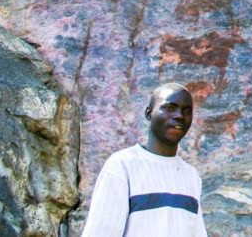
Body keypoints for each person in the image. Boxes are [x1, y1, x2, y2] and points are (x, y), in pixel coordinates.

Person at [81, 83, 208, 236]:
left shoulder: (191, 176)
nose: (179, 116)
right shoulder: (122, 166)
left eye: (187, 111)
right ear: (149, 113)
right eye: (170, 108)